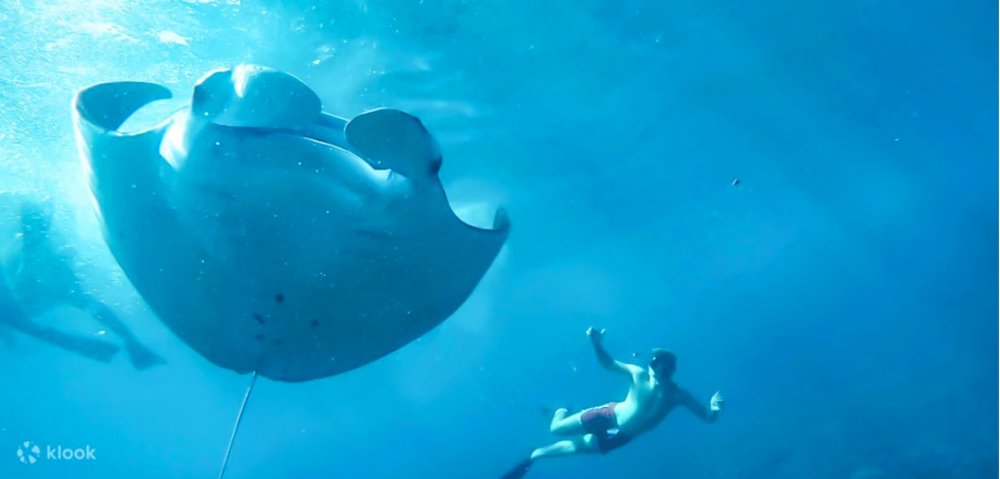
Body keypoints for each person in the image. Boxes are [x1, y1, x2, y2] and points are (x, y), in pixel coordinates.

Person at [502, 327, 724, 478]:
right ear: (650, 365)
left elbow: (707, 416)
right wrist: (596, 343)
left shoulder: (678, 396)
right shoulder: (638, 374)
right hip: (609, 415)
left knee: (577, 448)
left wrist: (714, 407)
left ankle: (536, 454)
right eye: (656, 365)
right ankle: (560, 410)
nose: (659, 372)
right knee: (556, 429)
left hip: (622, 435)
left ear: (672, 372)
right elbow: (608, 364)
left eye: (665, 368)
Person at [0, 199, 164, 369]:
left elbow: (93, 307)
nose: (30, 232)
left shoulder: (56, 272)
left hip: (31, 303)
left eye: (34, 226)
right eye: (28, 226)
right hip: (19, 307)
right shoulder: (19, 258)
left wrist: (130, 340)